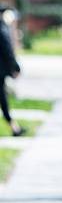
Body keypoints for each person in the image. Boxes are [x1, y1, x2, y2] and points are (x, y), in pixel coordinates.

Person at [0, 8, 26, 137]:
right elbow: (7, 51)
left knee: (3, 99)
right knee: (3, 99)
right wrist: (15, 67)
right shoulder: (2, 29)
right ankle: (14, 128)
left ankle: (14, 127)